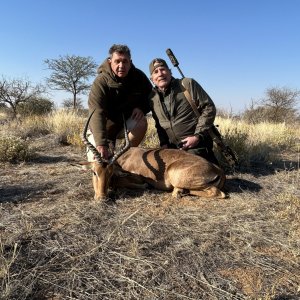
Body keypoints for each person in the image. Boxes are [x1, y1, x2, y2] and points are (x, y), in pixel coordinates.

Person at [148, 58, 219, 165]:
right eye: (156, 72)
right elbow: (159, 125)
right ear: (152, 79)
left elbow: (209, 107)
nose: (160, 74)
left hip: (196, 145)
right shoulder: (152, 98)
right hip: (173, 149)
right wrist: (163, 144)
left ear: (170, 72)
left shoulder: (187, 84)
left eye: (163, 69)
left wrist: (197, 136)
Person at [87, 44, 153, 160]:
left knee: (141, 122)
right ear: (109, 61)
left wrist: (141, 108)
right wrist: (101, 143)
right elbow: (96, 112)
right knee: (98, 161)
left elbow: (151, 97)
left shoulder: (139, 77)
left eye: (125, 61)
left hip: (123, 125)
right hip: (102, 128)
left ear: (130, 62)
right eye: (117, 61)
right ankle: (104, 149)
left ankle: (123, 158)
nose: (121, 66)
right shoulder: (100, 81)